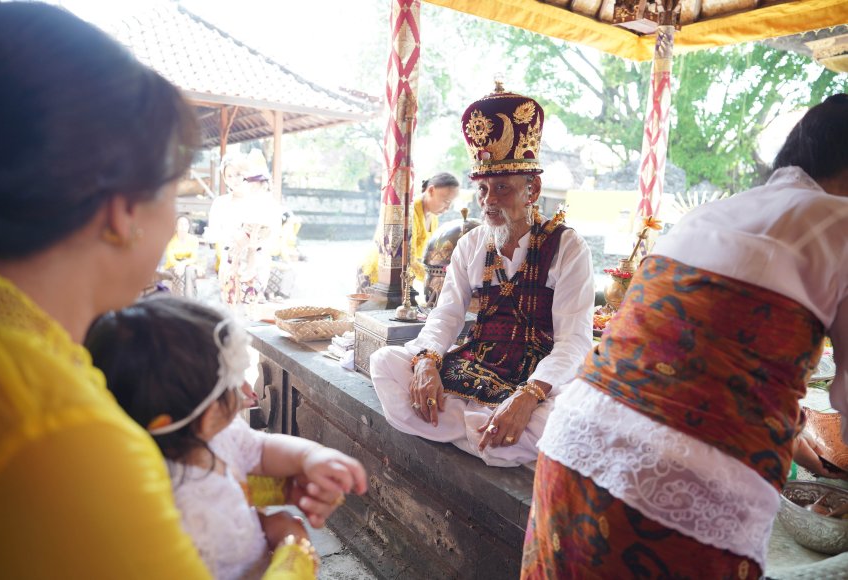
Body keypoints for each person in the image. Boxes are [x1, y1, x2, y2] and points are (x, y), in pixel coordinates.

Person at [0, 4, 352, 577]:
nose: (175, 221)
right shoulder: (66, 434)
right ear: (124, 210)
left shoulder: (15, 343)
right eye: (173, 193)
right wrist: (296, 549)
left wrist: (266, 483)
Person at [522, 94, 848, 579]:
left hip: (572, 450)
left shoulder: (711, 214)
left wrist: (784, 427)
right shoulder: (839, 226)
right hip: (683, 494)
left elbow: (703, 366)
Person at [369, 84, 594, 467]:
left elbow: (574, 341)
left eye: (502, 188)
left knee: (566, 418)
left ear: (532, 189)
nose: (489, 200)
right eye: (483, 189)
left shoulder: (568, 247)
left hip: (534, 375)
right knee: (385, 363)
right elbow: (446, 315)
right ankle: (486, 435)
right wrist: (426, 361)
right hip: (477, 361)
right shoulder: (472, 243)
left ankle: (466, 428)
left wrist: (526, 398)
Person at [86, 295, 367, 580]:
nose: (247, 389)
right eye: (234, 381)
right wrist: (292, 544)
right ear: (207, 414)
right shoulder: (184, 511)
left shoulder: (214, 436)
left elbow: (260, 447)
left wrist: (310, 457)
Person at [357, 172, 460, 293]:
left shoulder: (434, 217)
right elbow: (409, 259)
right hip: (378, 270)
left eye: (450, 203)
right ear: (431, 190)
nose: (447, 208)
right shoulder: (409, 211)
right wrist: (437, 278)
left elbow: (426, 255)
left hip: (403, 275)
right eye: (446, 201)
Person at [207, 151, 286, 306]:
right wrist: (234, 240)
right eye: (229, 176)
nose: (234, 180)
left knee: (250, 312)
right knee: (230, 310)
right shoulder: (220, 203)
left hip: (256, 262)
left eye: (237, 174)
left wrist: (254, 243)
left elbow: (274, 233)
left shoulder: (263, 202)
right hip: (230, 262)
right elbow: (214, 234)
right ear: (224, 178)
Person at [164, 215, 201, 297]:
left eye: (185, 224)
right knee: (180, 273)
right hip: (173, 265)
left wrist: (183, 264)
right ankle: (179, 300)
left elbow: (194, 258)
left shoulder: (194, 239)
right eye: (180, 224)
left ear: (188, 226)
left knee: (189, 271)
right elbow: (170, 259)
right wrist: (179, 265)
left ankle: (190, 300)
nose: (183, 227)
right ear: (176, 227)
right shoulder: (170, 239)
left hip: (188, 264)